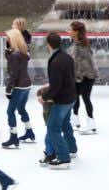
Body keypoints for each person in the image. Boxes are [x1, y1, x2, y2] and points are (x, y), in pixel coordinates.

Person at [39, 32, 77, 169]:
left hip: (62, 100)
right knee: (66, 123)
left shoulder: (55, 61)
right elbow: (68, 78)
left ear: (48, 44)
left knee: (53, 127)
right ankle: (72, 149)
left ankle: (63, 158)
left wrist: (44, 97)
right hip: (72, 97)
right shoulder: (66, 57)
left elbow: (56, 86)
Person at [1, 29, 33, 148]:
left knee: (10, 111)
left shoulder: (15, 55)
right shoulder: (23, 52)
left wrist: (8, 89)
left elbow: (13, 74)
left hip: (19, 86)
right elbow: (12, 61)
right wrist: (7, 49)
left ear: (13, 39)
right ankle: (29, 131)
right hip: (27, 85)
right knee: (21, 109)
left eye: (8, 38)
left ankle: (13, 137)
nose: (6, 40)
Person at [69, 21, 98, 134]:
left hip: (86, 76)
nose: (69, 32)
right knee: (75, 97)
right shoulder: (79, 43)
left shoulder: (81, 45)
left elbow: (82, 63)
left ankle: (91, 123)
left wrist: (77, 77)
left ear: (76, 32)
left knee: (85, 98)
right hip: (83, 75)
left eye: (71, 30)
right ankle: (75, 120)